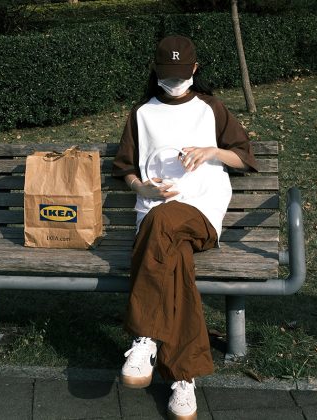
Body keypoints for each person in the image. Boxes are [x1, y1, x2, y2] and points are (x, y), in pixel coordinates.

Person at [112, 35, 258, 420]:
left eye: (181, 74)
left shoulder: (211, 108)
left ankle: (145, 334)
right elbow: (124, 168)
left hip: (200, 213)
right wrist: (141, 187)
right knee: (174, 257)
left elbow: (244, 157)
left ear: (194, 69)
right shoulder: (142, 114)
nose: (174, 81)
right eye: (167, 74)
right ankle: (183, 378)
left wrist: (212, 151)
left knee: (165, 220)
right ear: (155, 71)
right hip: (155, 219)